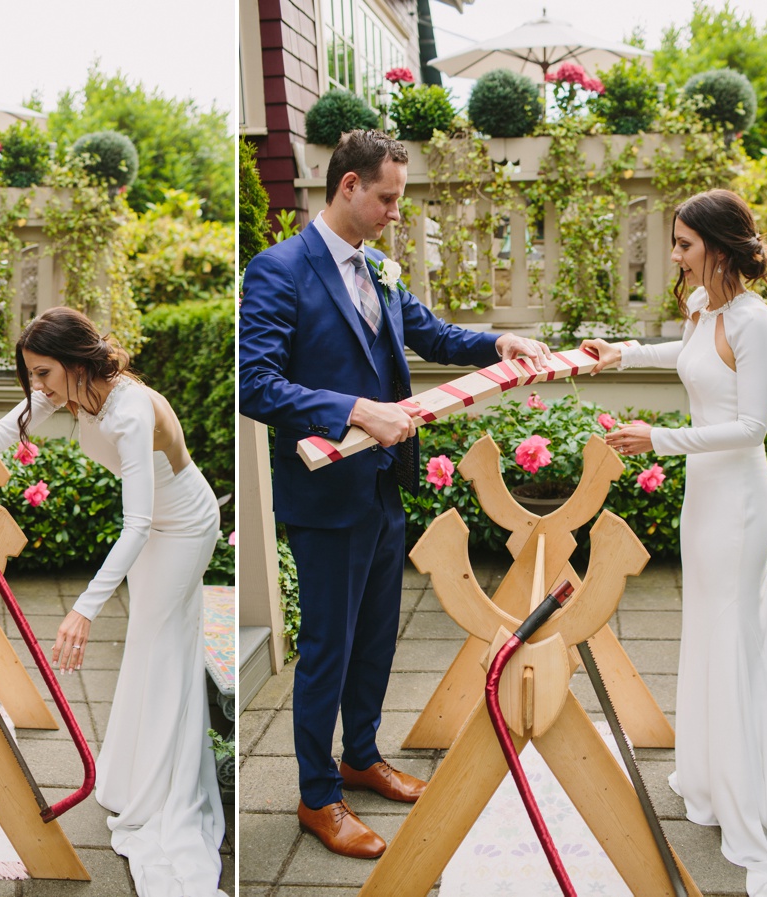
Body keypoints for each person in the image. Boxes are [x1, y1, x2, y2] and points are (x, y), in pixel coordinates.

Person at [238, 129, 551, 859]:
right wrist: (351, 409)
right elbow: (257, 383)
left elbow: (431, 334)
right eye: (387, 198)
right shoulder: (277, 270)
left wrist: (494, 344)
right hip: (324, 497)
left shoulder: (378, 266)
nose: (394, 212)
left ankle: (362, 755)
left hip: (384, 488)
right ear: (347, 186)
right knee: (327, 648)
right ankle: (319, 796)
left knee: (377, 637)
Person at [0, 307, 226, 897]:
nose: (38, 388)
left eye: (43, 374)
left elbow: (135, 524)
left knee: (165, 650)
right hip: (154, 526)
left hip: (183, 527)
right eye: (32, 375)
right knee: (149, 648)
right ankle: (137, 777)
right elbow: (9, 427)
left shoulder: (131, 411)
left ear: (77, 363)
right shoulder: (77, 391)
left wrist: (84, 607)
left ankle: (164, 792)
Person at [583, 188, 767, 897]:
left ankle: (748, 787)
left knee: (737, 634)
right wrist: (622, 353)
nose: (675, 256)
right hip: (704, 500)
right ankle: (713, 772)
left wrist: (656, 439)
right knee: (706, 629)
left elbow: (752, 426)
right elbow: (685, 354)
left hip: (741, 504)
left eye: (685, 245)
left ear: (719, 250)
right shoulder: (705, 309)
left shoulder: (756, 322)